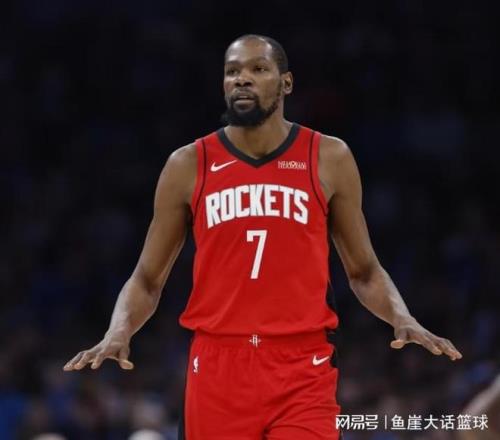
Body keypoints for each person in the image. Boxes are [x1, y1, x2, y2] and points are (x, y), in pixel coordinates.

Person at [63, 34, 463, 439]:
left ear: (286, 83)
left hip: (302, 366)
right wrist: (119, 329)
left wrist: (401, 316)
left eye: (258, 69)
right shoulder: (188, 164)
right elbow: (147, 279)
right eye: (232, 71)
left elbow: (364, 272)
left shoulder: (328, 157)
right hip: (218, 365)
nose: (242, 78)